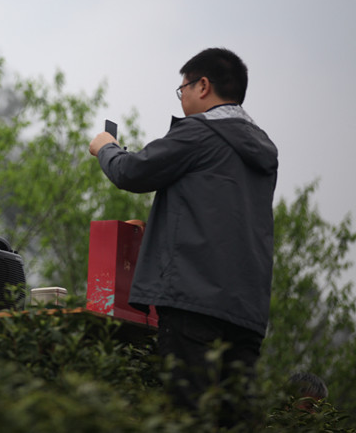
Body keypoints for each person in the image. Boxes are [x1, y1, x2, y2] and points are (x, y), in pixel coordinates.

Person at [89, 48, 278, 422]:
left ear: (202, 85)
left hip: (193, 302)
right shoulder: (263, 150)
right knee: (234, 420)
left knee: (189, 414)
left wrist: (105, 149)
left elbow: (132, 172)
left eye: (183, 89)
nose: (182, 97)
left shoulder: (200, 133)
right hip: (247, 309)